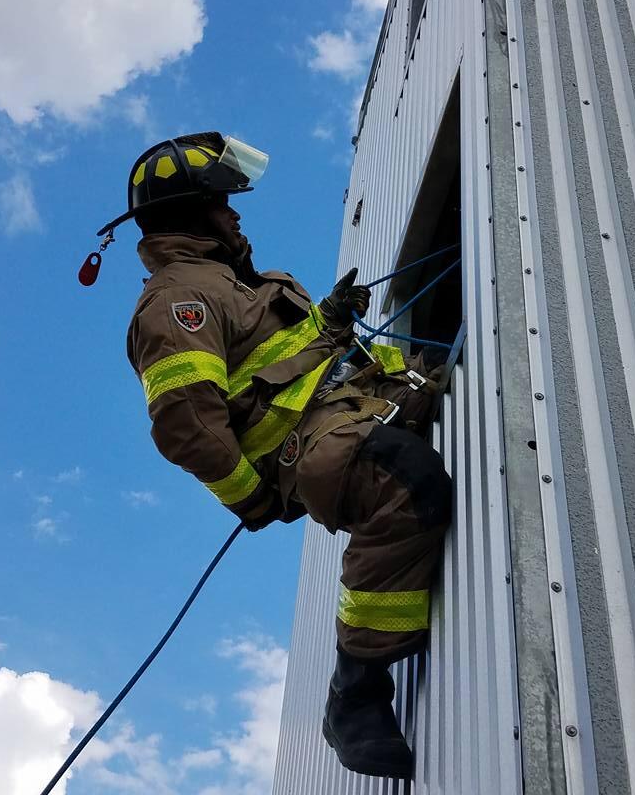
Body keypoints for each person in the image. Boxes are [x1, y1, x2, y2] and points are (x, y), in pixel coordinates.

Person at [97, 131, 452, 780]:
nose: (235, 215)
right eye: (223, 204)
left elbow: (281, 366)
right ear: (192, 213)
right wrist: (252, 498)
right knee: (406, 478)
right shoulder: (178, 301)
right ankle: (357, 691)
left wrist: (329, 320)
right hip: (308, 450)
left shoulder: (235, 283)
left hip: (357, 402)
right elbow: (185, 423)